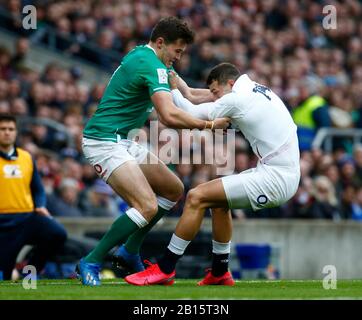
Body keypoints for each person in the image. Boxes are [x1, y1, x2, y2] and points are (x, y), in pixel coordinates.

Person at [77, 17, 230, 286]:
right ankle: (90, 260)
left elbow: (192, 96)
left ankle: (129, 251)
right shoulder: (151, 64)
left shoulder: (152, 60)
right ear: (161, 43)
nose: (179, 58)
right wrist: (210, 125)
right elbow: (170, 116)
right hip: (103, 142)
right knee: (146, 205)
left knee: (173, 189)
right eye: (177, 51)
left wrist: (230, 94)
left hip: (124, 141)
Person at [124, 63, 301, 286]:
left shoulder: (236, 99)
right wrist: (182, 88)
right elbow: (202, 97)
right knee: (218, 203)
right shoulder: (255, 89)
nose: (215, 98)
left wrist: (172, 89)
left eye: (216, 92)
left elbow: (187, 112)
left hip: (275, 178)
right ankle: (219, 272)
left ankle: (166, 267)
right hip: (282, 171)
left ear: (229, 83)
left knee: (196, 196)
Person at [0, 114, 67, 280]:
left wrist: (40, 205)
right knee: (5, 276)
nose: (7, 132)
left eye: (11, 129)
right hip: (2, 223)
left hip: (26, 218)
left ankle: (30, 273)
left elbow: (38, 189)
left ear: (16, 133)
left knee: (57, 234)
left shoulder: (26, 158)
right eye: (2, 129)